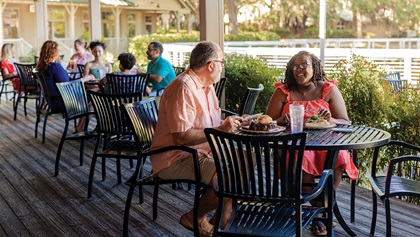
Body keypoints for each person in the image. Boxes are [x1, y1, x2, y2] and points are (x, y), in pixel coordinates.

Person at [150, 41, 248, 237]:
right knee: (230, 178)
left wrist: (234, 123)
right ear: (211, 65)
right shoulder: (184, 87)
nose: (223, 67)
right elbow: (181, 137)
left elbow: (208, 124)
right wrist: (221, 128)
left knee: (247, 159)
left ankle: (219, 221)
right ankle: (195, 217)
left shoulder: (207, 86)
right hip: (175, 156)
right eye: (222, 62)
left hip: (203, 150)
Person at [265, 50, 358, 236]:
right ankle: (320, 213)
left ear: (314, 67)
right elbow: (268, 119)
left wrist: (331, 120)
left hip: (326, 144)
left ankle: (317, 211)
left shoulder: (328, 89)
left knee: (340, 157)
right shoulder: (283, 91)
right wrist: (282, 120)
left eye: (304, 65)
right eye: (295, 66)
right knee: (301, 157)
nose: (299, 69)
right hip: (294, 143)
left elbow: (345, 121)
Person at [35, 40, 70, 113]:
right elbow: (66, 83)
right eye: (58, 50)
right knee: (91, 97)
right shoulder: (54, 66)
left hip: (51, 103)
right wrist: (84, 79)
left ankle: (81, 124)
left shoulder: (42, 68)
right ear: (54, 52)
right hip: (63, 102)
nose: (59, 51)